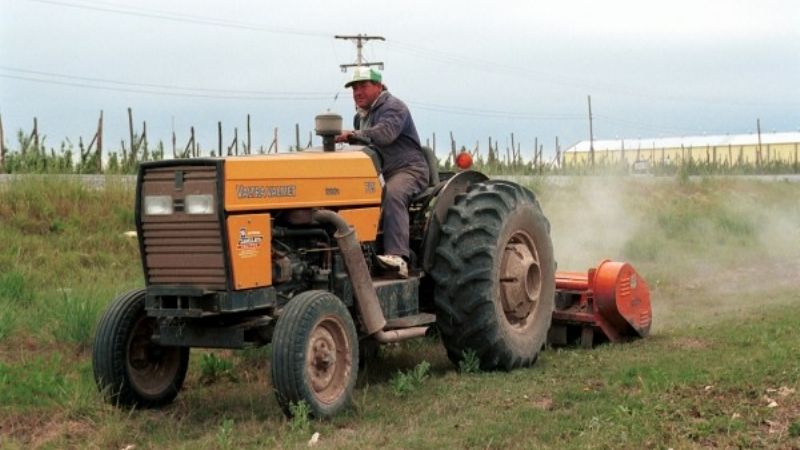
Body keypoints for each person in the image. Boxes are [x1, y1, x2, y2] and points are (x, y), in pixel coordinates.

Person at [335, 67, 430, 278]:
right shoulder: (360, 118)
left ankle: (397, 258)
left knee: (393, 194)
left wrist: (352, 135)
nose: (357, 92)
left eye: (363, 86)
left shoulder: (394, 107)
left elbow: (385, 134)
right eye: (354, 88)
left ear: (379, 86)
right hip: (380, 172)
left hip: (408, 169)